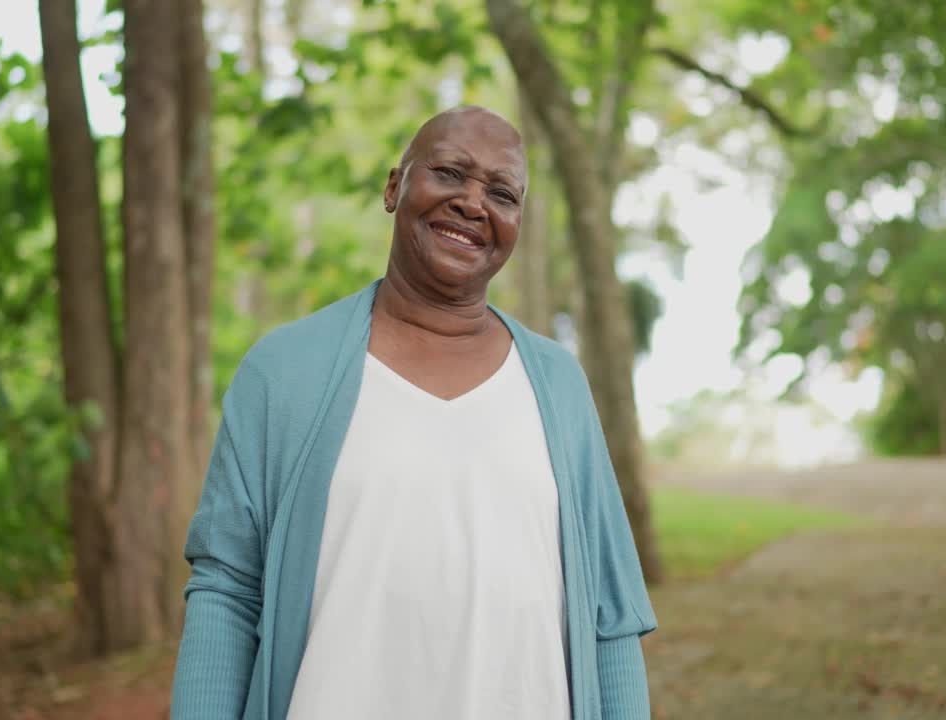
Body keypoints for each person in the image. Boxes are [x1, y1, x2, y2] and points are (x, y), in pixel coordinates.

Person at [169, 106, 656, 720]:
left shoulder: (557, 386)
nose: (473, 204)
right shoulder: (284, 372)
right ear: (395, 186)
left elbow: (609, 617)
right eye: (451, 173)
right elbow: (228, 591)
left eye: (502, 193)